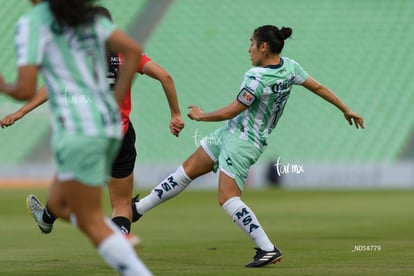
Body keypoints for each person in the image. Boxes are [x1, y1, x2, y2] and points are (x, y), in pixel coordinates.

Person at [130, 25, 365, 268]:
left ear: (264, 47)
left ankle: (267, 248)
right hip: (232, 133)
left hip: (243, 142)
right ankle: (137, 209)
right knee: (188, 169)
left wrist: (201, 116)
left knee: (227, 198)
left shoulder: (256, 77)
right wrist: (344, 108)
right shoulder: (290, 67)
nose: (249, 49)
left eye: (252, 44)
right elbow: (317, 87)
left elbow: (234, 109)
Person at [0, 6, 185, 247]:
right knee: (121, 204)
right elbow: (165, 76)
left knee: (63, 192)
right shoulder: (127, 54)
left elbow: (52, 87)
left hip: (88, 134)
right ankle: (121, 246)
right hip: (120, 134)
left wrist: (21, 111)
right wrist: (175, 114)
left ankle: (47, 217)